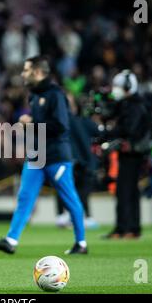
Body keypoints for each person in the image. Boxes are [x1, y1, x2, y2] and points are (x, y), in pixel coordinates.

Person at [0, 56, 87, 255]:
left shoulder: (56, 95)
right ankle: (11, 240)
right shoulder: (34, 95)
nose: (23, 74)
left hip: (57, 156)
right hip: (36, 155)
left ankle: (81, 243)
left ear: (38, 72)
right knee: (25, 197)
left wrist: (31, 123)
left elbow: (61, 126)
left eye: (27, 70)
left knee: (69, 198)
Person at [102, 70, 152, 239]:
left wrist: (110, 132)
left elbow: (129, 129)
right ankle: (128, 228)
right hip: (131, 152)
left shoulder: (134, 105)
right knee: (129, 190)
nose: (115, 90)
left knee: (126, 190)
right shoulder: (130, 104)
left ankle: (126, 228)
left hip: (133, 153)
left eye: (118, 86)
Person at [56, 96, 101, 230]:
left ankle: (68, 216)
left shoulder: (64, 122)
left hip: (72, 161)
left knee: (69, 189)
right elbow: (99, 133)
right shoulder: (81, 121)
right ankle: (78, 217)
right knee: (79, 191)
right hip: (82, 162)